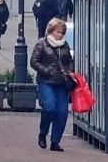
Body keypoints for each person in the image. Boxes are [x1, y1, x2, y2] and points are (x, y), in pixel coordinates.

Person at [29, 18, 75, 152]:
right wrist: (47, 71)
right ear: (51, 31)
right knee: (49, 107)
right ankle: (43, 133)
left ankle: (55, 140)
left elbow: (69, 61)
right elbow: (34, 61)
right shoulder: (42, 44)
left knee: (62, 112)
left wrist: (69, 71)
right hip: (46, 81)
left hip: (61, 82)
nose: (59, 35)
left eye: (62, 32)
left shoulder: (65, 45)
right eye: (57, 32)